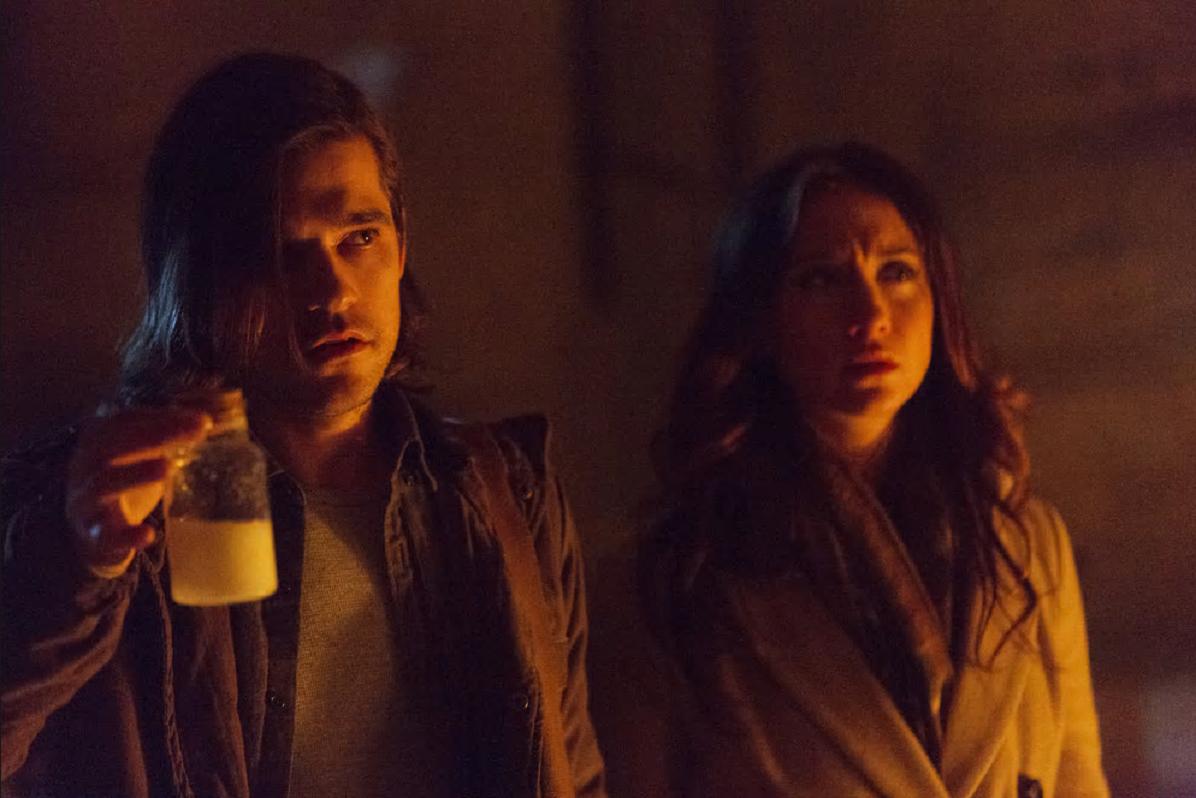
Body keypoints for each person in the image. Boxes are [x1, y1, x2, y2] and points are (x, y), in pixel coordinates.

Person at [1, 52, 605, 798]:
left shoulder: (503, 491)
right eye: (285, 256)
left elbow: (570, 768)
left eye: (360, 237)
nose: (333, 291)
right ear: (202, 279)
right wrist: (79, 564)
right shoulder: (98, 508)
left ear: (401, 246)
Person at [639, 143, 1109, 796]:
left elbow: (1076, 775)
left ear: (938, 299)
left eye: (897, 272)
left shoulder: (1023, 543)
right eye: (822, 280)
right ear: (761, 320)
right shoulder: (678, 577)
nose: (871, 316)